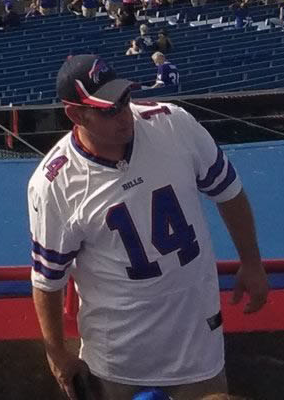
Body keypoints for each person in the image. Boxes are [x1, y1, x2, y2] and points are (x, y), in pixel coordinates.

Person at [27, 54, 268, 399]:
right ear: (76, 114)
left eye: (125, 100)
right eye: (108, 110)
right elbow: (47, 279)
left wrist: (252, 261)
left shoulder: (173, 125)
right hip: (118, 357)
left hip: (196, 342)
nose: (124, 116)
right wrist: (56, 354)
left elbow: (228, 192)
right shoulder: (54, 184)